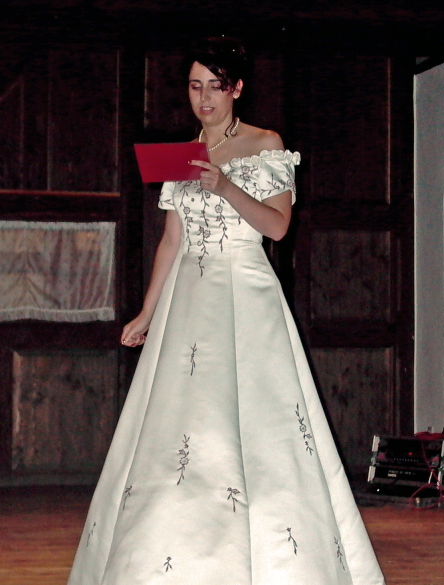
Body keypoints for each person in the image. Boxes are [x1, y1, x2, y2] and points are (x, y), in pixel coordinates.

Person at [68, 38, 385, 585]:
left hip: (245, 290)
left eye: (215, 86)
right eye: (195, 86)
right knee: (183, 424)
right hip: (188, 298)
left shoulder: (266, 143)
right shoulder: (182, 151)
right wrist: (147, 312)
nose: (204, 98)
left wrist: (226, 185)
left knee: (260, 422)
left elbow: (278, 227)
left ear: (236, 88)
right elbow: (172, 241)